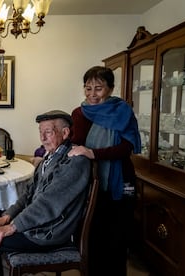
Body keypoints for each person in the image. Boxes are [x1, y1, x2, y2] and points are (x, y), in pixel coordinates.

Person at [0, 110, 91, 276]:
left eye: (48, 132)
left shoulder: (75, 161)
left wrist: (12, 226)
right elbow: (27, 194)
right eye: (40, 132)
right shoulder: (49, 158)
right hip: (36, 222)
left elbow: (47, 204)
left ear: (65, 132)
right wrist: (7, 216)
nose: (42, 138)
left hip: (48, 231)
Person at [68, 66, 141, 276]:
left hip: (122, 180)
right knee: (93, 230)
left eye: (98, 88)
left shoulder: (123, 111)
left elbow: (127, 147)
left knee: (119, 232)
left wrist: (93, 153)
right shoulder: (79, 113)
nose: (92, 94)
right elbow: (73, 144)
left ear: (110, 89)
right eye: (88, 88)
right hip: (91, 180)